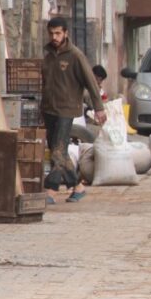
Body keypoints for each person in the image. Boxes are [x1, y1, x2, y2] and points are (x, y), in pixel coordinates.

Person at [41, 16, 106, 204]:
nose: (54, 37)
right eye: (52, 33)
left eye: (58, 33)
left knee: (58, 152)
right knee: (55, 149)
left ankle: (51, 190)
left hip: (67, 109)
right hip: (49, 109)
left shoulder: (75, 55)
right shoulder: (48, 56)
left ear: (66, 33)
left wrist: (99, 108)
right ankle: (78, 186)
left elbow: (91, 82)